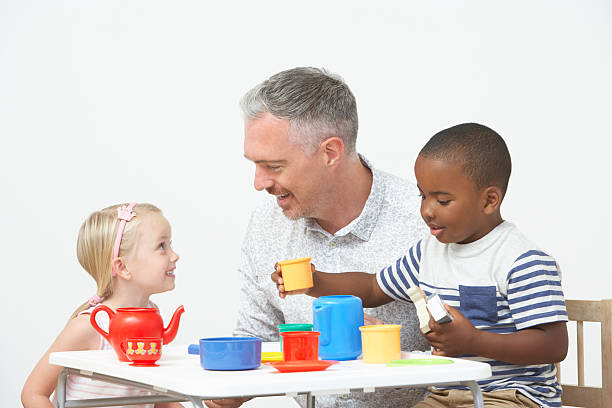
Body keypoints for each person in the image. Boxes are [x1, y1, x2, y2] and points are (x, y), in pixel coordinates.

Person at [272, 123, 569, 408]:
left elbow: (553, 345)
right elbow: (374, 287)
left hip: (511, 396)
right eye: (423, 196)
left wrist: (474, 340)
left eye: (442, 201)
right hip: (445, 393)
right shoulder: (429, 251)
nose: (427, 211)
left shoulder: (522, 260)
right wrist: (316, 282)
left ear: (489, 200)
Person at [213, 67, 429, 408]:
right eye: (254, 164)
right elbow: (258, 340)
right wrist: (225, 388)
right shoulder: (266, 226)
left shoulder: (425, 224)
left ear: (330, 152)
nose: (259, 183)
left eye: (274, 166)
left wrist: (390, 350)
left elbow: (473, 351)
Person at [21, 203, 183, 408]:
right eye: (161, 246)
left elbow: (157, 396)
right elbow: (33, 394)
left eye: (170, 244)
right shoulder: (88, 327)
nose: (174, 255)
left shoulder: (152, 314)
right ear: (122, 267)